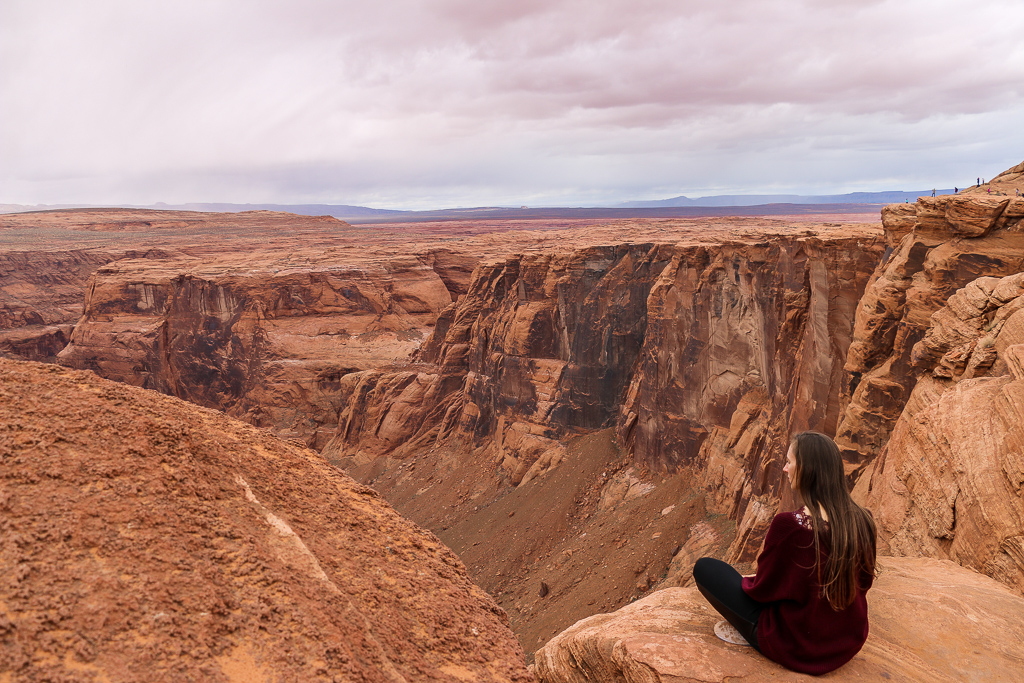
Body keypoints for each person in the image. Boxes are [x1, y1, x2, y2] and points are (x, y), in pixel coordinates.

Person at [693, 431, 877, 675]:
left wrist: (747, 583)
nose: (785, 469)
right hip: (847, 642)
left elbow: (763, 590)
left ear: (807, 469)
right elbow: (865, 582)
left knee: (706, 569)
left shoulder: (791, 526)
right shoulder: (863, 520)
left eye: (790, 462)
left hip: (797, 645)